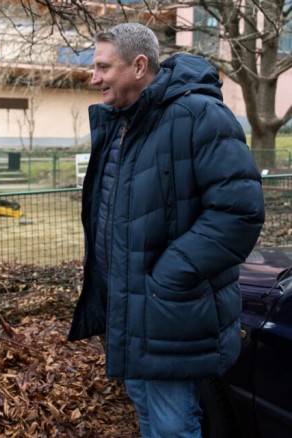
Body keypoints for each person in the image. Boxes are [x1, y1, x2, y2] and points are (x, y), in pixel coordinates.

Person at [68, 23, 265, 437]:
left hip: (170, 310)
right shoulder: (122, 123)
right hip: (131, 308)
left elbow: (238, 213)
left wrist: (168, 279)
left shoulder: (200, 115)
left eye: (104, 67)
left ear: (139, 66)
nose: (94, 77)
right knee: (148, 415)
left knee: (174, 424)